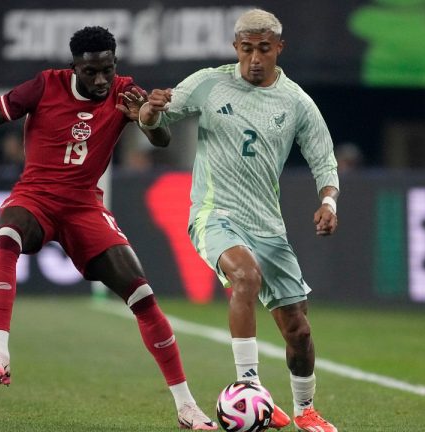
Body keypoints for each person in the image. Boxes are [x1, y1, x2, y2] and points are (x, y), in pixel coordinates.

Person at [0, 26, 217, 430]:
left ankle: (186, 406)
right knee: (8, 235)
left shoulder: (125, 91)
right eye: (90, 72)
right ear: (74, 67)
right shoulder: (44, 86)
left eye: (107, 70)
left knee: (142, 296)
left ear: (114, 64)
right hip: (35, 197)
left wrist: (149, 117)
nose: (100, 80)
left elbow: (160, 139)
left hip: (84, 207)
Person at [138, 9, 339, 432]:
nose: (255, 58)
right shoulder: (208, 83)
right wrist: (150, 112)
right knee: (245, 276)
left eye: (264, 49)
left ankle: (305, 410)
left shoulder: (296, 101)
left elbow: (324, 160)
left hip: (268, 227)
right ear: (236, 47)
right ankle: (249, 386)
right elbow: (156, 127)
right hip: (214, 214)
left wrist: (328, 203)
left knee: (298, 330)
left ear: (279, 48)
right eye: (247, 49)